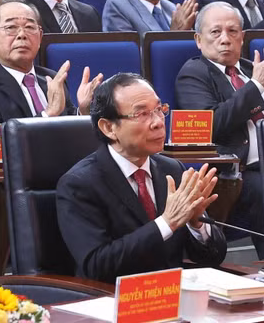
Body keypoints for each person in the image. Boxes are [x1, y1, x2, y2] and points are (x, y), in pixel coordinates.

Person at [56, 72, 227, 283]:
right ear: (109, 128)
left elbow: (213, 258)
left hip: (173, 292)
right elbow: (97, 266)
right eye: (142, 114)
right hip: (115, 297)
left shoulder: (171, 169)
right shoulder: (79, 184)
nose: (158, 122)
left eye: (159, 110)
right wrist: (167, 223)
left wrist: (196, 224)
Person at [175, 2, 264, 258]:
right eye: (215, 32)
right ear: (198, 40)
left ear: (242, 37)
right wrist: (257, 86)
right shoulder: (194, 73)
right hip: (238, 171)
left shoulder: (251, 69)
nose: (225, 39)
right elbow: (213, 125)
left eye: (233, 31)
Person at [0, 0, 102, 123]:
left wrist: (83, 111)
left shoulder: (51, 78)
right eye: (11, 27)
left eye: (29, 27)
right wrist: (48, 114)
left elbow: (70, 128)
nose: (22, 34)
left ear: (40, 37)